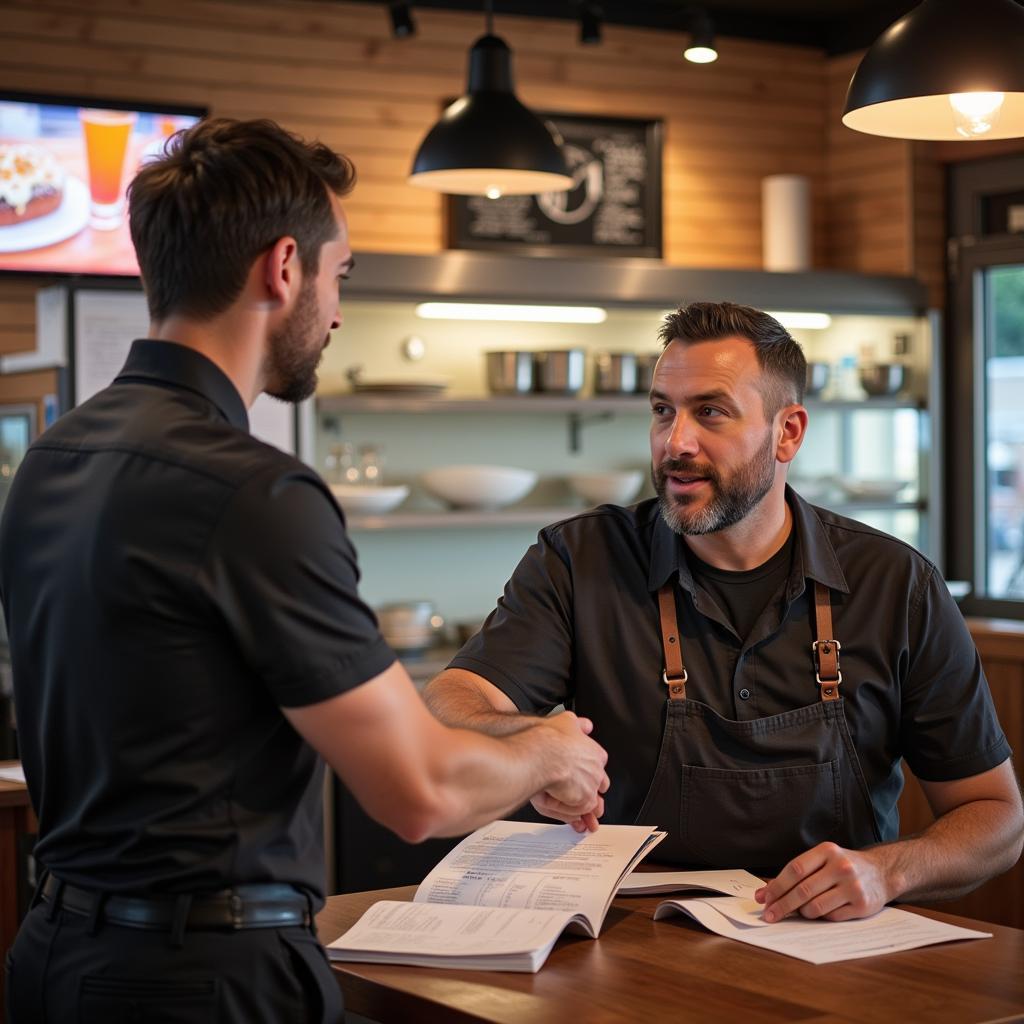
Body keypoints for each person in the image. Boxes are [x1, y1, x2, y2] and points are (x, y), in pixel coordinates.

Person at [0, 118, 608, 1024]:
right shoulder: (254, 492)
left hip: (53, 956)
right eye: (340, 275)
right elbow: (419, 793)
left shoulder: (53, 455)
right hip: (202, 983)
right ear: (284, 268)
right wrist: (549, 749)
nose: (334, 310)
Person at [424, 301, 1024, 924]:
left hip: (835, 954)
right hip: (633, 943)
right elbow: (453, 701)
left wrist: (888, 870)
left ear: (788, 432)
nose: (675, 442)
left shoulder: (896, 585)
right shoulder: (580, 561)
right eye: (663, 410)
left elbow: (998, 819)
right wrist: (531, 743)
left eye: (710, 411)